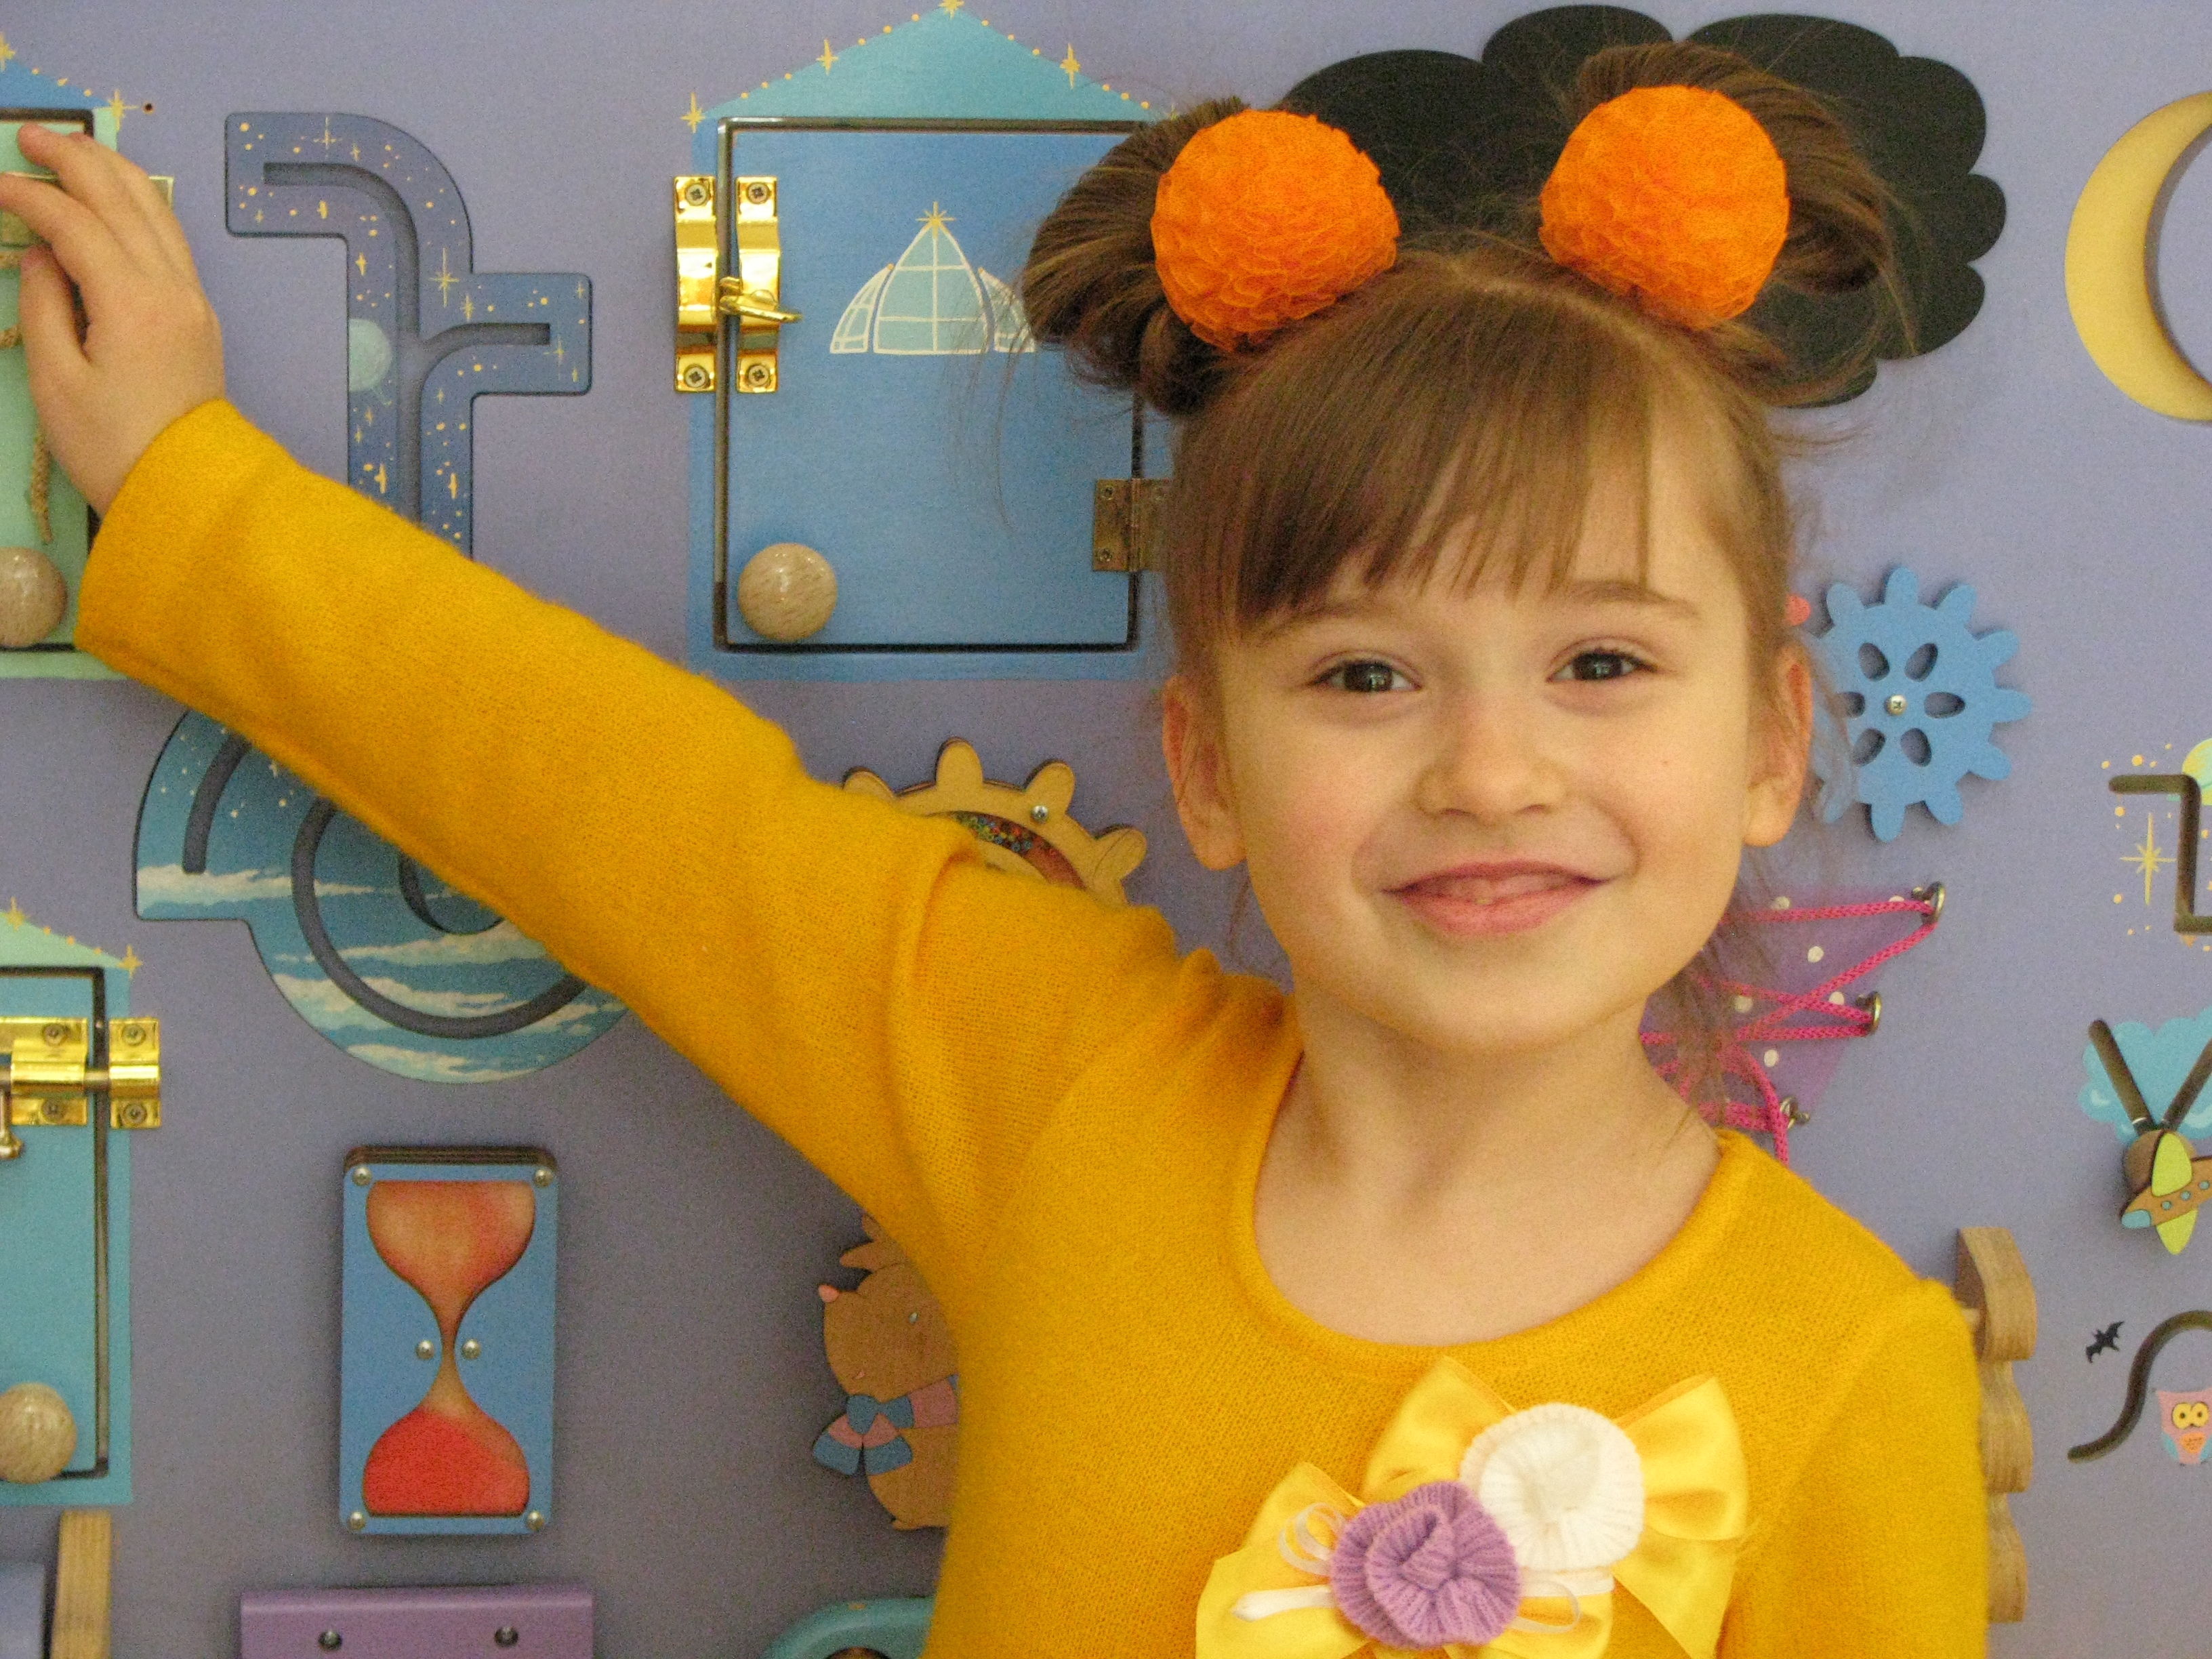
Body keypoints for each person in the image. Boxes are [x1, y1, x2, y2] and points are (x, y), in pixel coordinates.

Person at [1, 39, 1984, 1657]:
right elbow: (613, 797)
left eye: (1603, 663)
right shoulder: (1060, 1076)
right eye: (1366, 676)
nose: (1489, 771)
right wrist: (191, 491)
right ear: (1205, 766)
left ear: (1771, 742)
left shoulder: (1846, 1373)